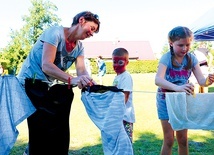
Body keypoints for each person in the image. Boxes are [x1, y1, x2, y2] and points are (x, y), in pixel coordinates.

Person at [17, 11, 100, 155]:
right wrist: (72, 79)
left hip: (46, 86)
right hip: (30, 81)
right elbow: (47, 65)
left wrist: (89, 81)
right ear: (82, 20)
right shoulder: (55, 33)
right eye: (92, 28)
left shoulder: (79, 47)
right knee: (41, 125)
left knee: (49, 126)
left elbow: (81, 71)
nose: (92, 33)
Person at [155, 26, 214, 155]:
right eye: (180, 45)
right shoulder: (166, 58)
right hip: (165, 101)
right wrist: (177, 88)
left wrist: (209, 80)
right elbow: (158, 80)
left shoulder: (191, 58)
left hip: (182, 101)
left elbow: (202, 82)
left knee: (182, 139)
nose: (184, 48)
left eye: (187, 45)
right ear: (171, 44)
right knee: (169, 139)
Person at [112, 47, 135, 143]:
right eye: (114, 62)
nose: (116, 65)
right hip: (117, 115)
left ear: (126, 62)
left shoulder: (126, 77)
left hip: (125, 116)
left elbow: (125, 96)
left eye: (120, 62)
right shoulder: (117, 77)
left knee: (126, 142)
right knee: (118, 142)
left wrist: (117, 111)